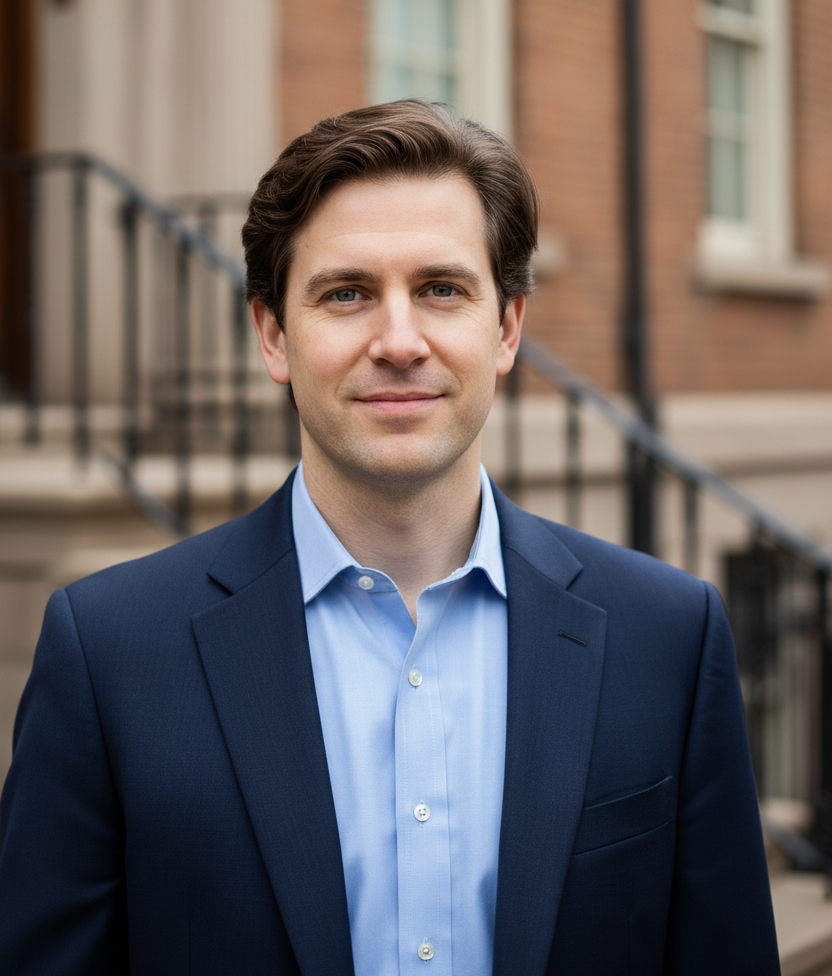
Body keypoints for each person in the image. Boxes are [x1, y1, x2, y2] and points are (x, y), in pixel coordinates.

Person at [0, 101, 778, 975]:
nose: (399, 341)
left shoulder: (667, 636)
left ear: (508, 327)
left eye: (441, 289)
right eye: (347, 294)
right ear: (272, 335)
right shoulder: (108, 655)